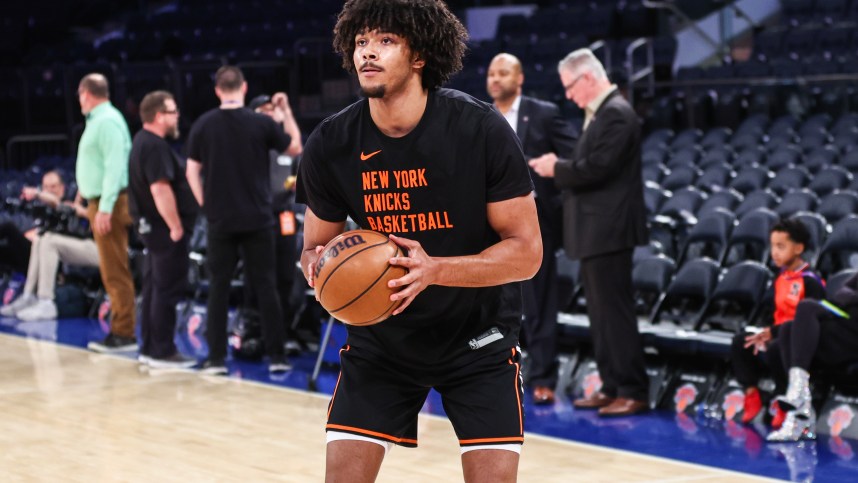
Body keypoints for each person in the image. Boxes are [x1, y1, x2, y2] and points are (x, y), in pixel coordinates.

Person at [296, 1, 542, 481]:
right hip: (381, 341)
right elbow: (312, 247)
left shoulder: (480, 130)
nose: (367, 53)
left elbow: (527, 253)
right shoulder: (332, 142)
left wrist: (435, 271)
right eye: (361, 41)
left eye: (386, 41)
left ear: (419, 56)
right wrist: (321, 269)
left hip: (478, 338)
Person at [529, 48, 650, 417]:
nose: (568, 95)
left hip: (610, 230)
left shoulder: (616, 113)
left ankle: (632, 388)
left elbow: (597, 168)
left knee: (615, 313)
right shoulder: (600, 114)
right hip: (597, 231)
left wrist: (556, 168)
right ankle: (612, 385)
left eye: (569, 86)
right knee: (600, 315)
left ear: (587, 78)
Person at [186, 66, 302, 375]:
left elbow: (190, 171)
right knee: (266, 286)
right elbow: (294, 147)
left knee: (218, 289)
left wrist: (205, 205)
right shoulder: (261, 123)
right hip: (258, 219)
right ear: (244, 88)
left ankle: (215, 359)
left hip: (220, 220)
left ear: (217, 91)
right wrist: (285, 111)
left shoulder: (204, 124)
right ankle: (277, 356)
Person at [486, 52, 577, 405]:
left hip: (535, 221)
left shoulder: (544, 113)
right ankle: (494, 373)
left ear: (519, 78)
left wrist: (544, 173)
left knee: (539, 304)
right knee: (492, 302)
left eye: (504, 72)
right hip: (489, 221)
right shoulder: (482, 116)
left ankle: (543, 378)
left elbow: (574, 157)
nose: (496, 78)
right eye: (492, 73)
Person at [128, 90, 199, 369]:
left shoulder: (141, 141)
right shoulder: (155, 145)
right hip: (164, 230)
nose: (177, 116)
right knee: (166, 290)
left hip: (152, 229)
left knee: (154, 288)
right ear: (159, 116)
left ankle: (149, 348)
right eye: (172, 111)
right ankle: (162, 351)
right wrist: (176, 226)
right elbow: (160, 190)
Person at [732, 218, 824, 427]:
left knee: (776, 348)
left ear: (799, 248)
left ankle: (785, 402)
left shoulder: (811, 281)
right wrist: (764, 331)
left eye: (781, 246)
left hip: (798, 341)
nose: (774, 252)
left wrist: (773, 332)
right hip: (775, 332)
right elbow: (771, 311)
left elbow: (814, 319)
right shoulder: (780, 277)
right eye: (772, 246)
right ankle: (751, 394)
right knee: (741, 341)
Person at [75, 73, 137, 353]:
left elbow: (115, 167)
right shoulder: (100, 121)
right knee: (111, 269)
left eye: (80, 96)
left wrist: (106, 208)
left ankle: (123, 333)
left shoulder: (108, 121)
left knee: (115, 270)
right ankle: (121, 329)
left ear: (86, 93)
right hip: (99, 202)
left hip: (108, 204)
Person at [244, 92, 303, 349]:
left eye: (272, 109)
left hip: (285, 216)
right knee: (257, 277)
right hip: (257, 219)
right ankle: (254, 331)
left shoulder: (283, 147)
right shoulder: (251, 144)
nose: (270, 113)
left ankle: (283, 331)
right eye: (263, 110)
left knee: (286, 276)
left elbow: (296, 146)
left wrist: (286, 110)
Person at [1, 175, 99, 321]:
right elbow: (57, 204)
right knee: (42, 237)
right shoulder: (67, 204)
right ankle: (29, 296)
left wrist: (82, 212)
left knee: (44, 240)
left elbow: (106, 220)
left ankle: (45, 300)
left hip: (102, 249)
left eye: (53, 186)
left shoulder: (102, 197)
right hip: (70, 249)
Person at [0, 170, 69, 274]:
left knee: (8, 228)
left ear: (62, 188)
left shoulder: (67, 206)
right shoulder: (39, 208)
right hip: (30, 251)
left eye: (53, 186)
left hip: (50, 254)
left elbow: (56, 202)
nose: (49, 190)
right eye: (46, 187)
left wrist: (37, 193)